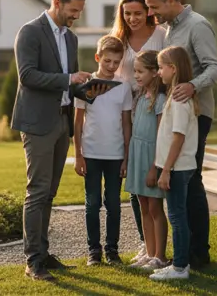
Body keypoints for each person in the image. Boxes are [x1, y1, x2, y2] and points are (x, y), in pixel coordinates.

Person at [12, 0, 107, 281]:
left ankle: (43, 252)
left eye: (80, 11)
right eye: (74, 9)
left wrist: (91, 89)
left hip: (61, 121)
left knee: (50, 193)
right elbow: (27, 76)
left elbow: (72, 85)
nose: (77, 15)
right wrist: (68, 79)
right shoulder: (29, 32)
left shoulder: (71, 39)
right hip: (38, 123)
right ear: (57, 1)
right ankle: (32, 261)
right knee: (37, 191)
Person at [142, 0, 217, 270]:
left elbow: (215, 69)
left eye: (154, 7)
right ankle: (188, 253)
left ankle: (198, 253)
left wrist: (191, 86)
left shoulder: (197, 25)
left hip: (197, 115)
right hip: (178, 113)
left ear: (171, 0)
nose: (152, 13)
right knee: (183, 183)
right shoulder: (169, 30)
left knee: (191, 181)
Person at [109, 0, 166, 263]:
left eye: (138, 13)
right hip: (127, 113)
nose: (132, 18)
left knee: (151, 193)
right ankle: (146, 243)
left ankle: (157, 248)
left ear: (148, 12)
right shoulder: (118, 39)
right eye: (127, 13)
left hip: (152, 106)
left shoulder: (161, 37)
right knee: (134, 181)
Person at [73, 35, 133, 266]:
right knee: (92, 203)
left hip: (116, 155)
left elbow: (126, 123)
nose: (111, 66)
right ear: (97, 57)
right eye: (107, 61)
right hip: (90, 154)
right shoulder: (85, 87)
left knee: (114, 204)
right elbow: (78, 123)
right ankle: (94, 252)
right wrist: (78, 155)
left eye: (116, 62)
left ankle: (112, 250)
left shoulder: (123, 87)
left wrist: (126, 157)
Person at [149, 46, 199, 281]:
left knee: (177, 218)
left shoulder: (178, 100)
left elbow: (178, 137)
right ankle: (181, 264)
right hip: (176, 168)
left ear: (173, 69)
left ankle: (179, 267)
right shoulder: (175, 96)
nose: (158, 72)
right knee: (179, 216)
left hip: (177, 169)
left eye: (160, 67)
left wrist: (166, 170)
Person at [124, 50, 169, 271]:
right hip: (137, 155)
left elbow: (161, 136)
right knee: (143, 206)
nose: (137, 75)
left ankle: (160, 256)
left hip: (152, 158)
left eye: (140, 71)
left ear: (154, 72)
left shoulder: (160, 100)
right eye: (135, 71)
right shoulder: (141, 97)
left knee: (155, 208)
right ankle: (149, 253)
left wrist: (155, 168)